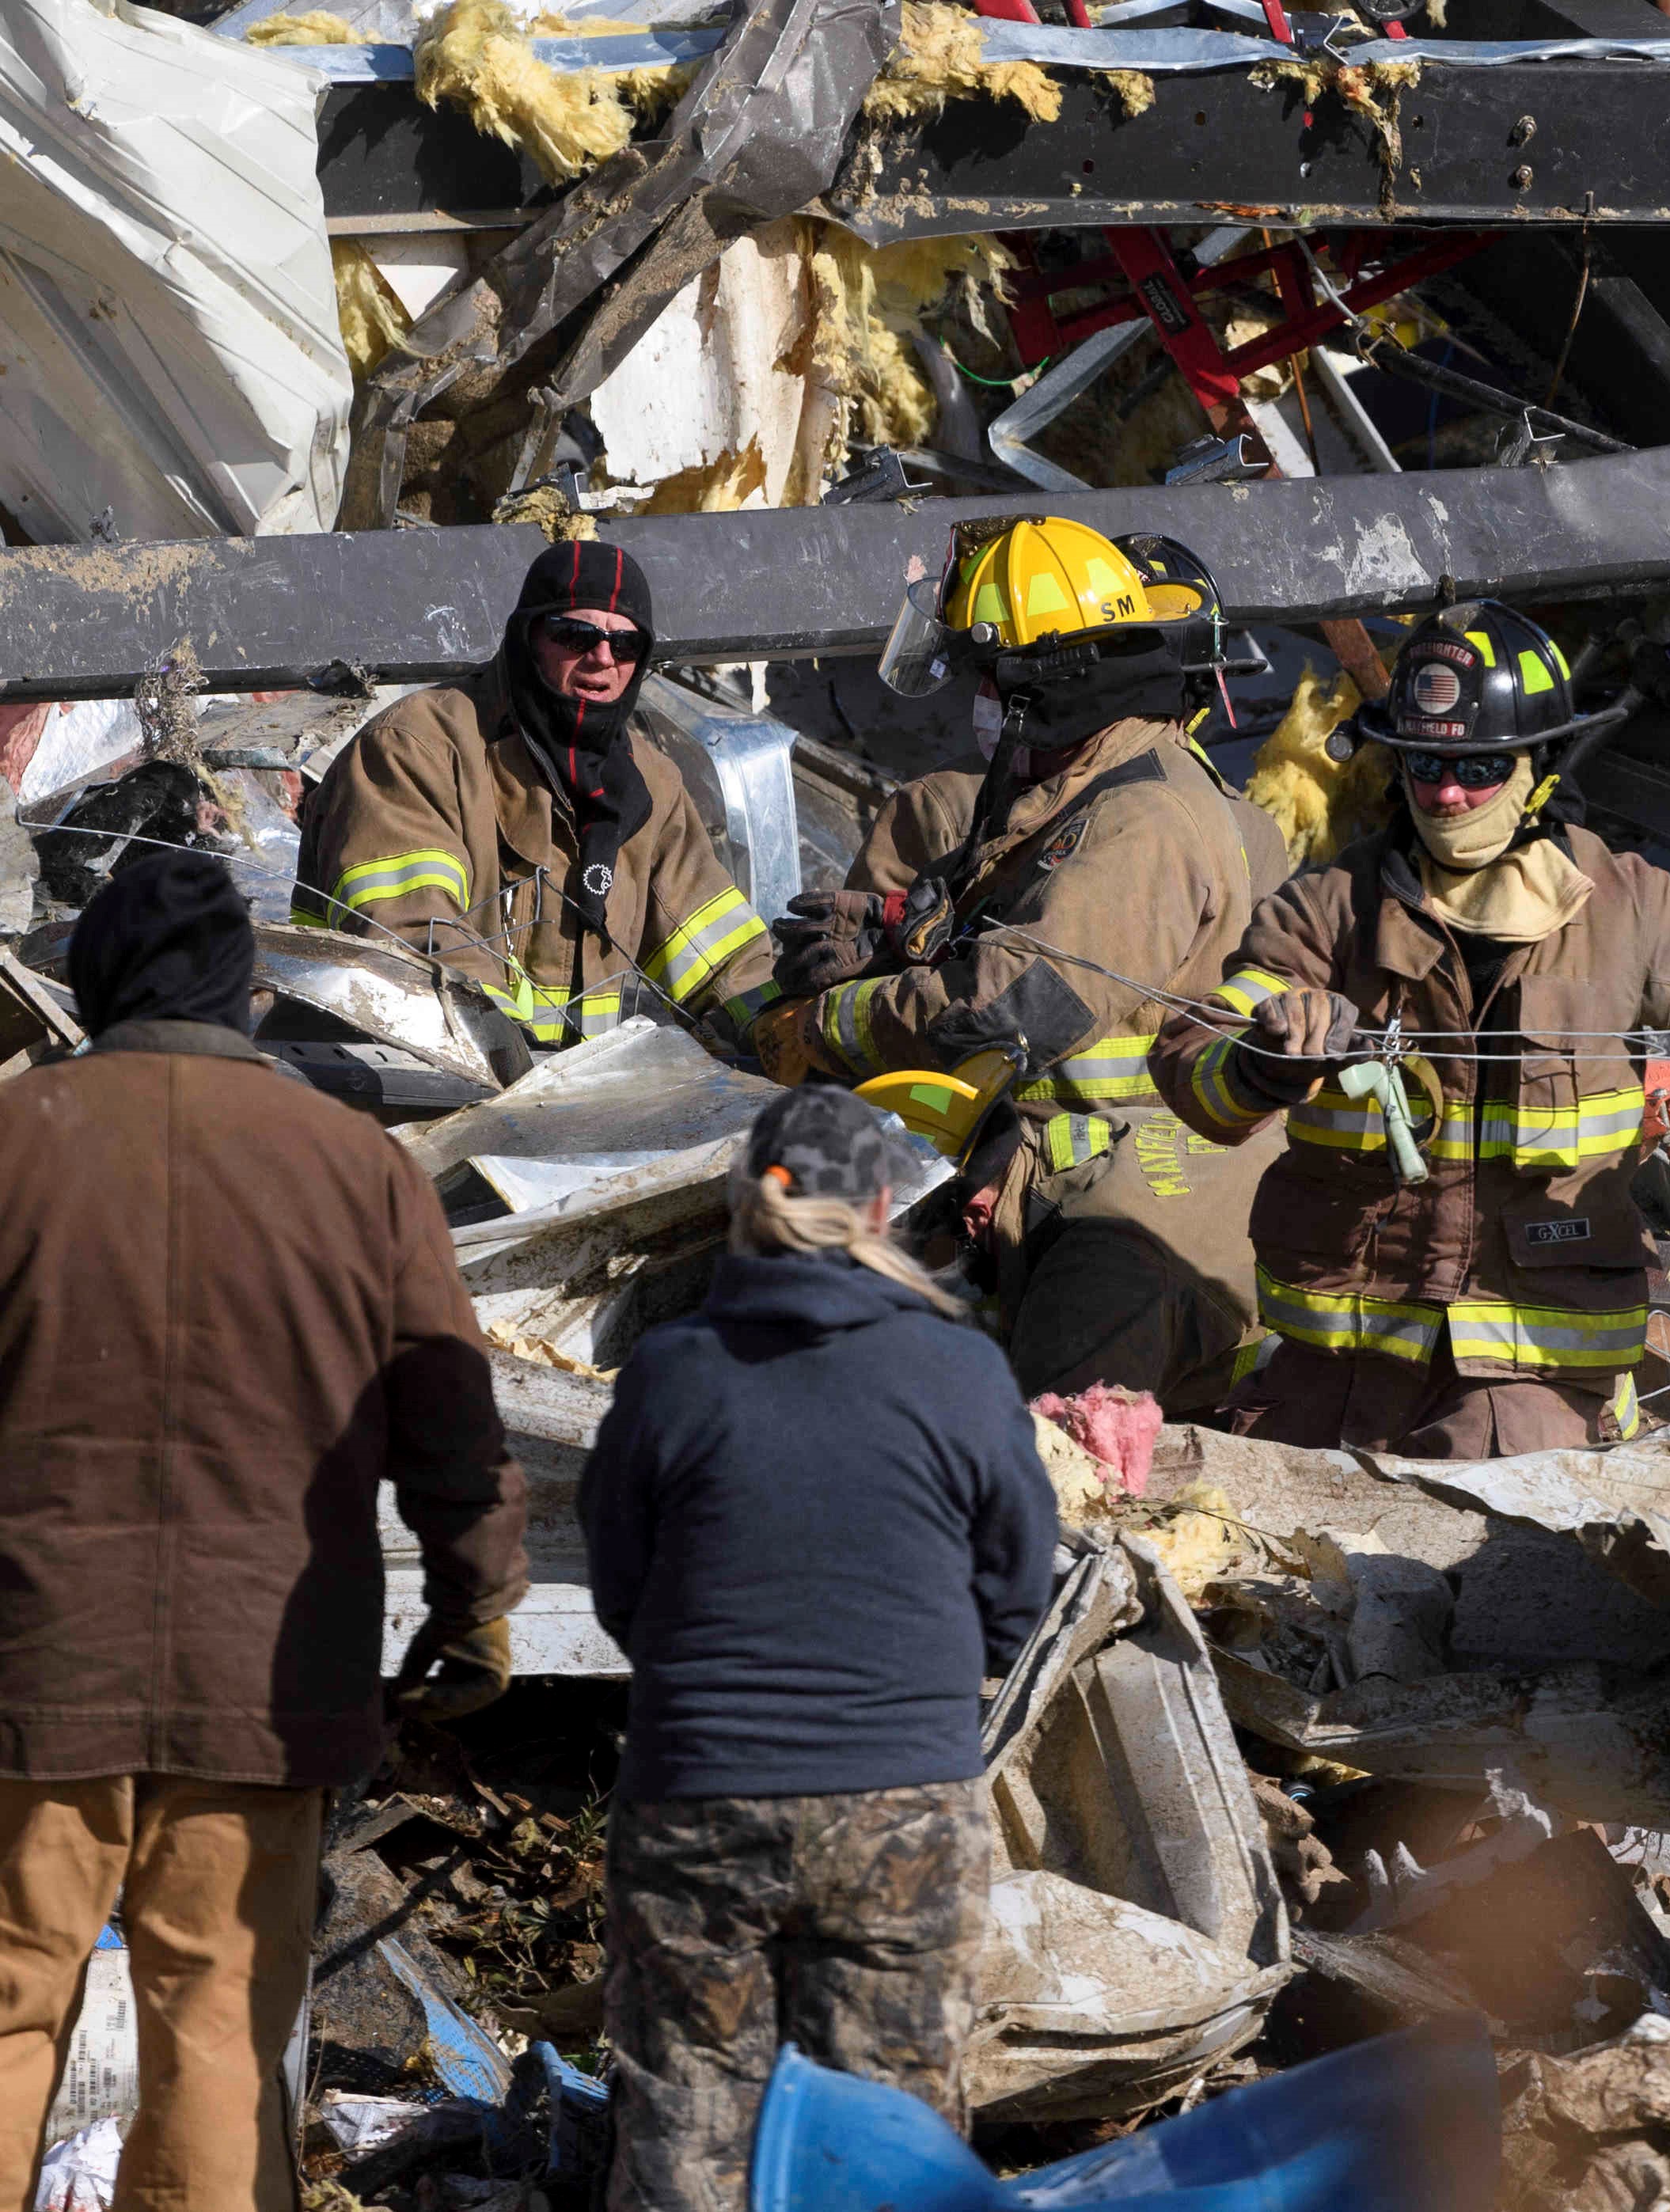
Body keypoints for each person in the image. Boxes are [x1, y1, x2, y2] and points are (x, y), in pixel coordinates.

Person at [0, 852, 526, 2212]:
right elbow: (452, 1419)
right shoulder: (360, 1170)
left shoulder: (13, 1144)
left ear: (97, 984)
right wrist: (475, 1612)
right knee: (221, 2024)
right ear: (244, 1000)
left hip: (33, 1665)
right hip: (269, 1680)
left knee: (5, 2007)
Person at [1148, 599, 1670, 1455]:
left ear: (1538, 765)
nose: (1448, 792)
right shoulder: (1331, 909)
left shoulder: (1625, 909)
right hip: (1333, 1370)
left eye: (1478, 766)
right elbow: (1197, 1053)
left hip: (1530, 1390)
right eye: (1424, 764)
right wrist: (1267, 1052)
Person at [578, 1084, 1058, 2210]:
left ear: (744, 1200)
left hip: (703, 1793)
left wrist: (707, 1679)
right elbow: (1018, 1586)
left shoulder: (672, 1368)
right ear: (887, 1204)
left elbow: (619, 1587)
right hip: (903, 1797)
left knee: (687, 2115)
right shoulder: (961, 1369)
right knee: (888, 2125)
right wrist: (924, 1688)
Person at [751, 518, 1292, 1409]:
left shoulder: (1147, 824)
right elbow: (1016, 919)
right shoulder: (1086, 783)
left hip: (1129, 1208)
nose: (982, 702)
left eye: (992, 678)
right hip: (1068, 1174)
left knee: (1059, 1457)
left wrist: (829, 1024)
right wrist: (898, 931)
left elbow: (1012, 1007)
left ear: (1051, 688)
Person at [294, 540, 780, 1050]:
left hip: (551, 1113)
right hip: (388, 1090)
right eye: (575, 635)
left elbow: (720, 960)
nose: (602, 659)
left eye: (626, 646)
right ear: (528, 638)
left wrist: (779, 1029)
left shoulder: (648, 785)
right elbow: (411, 937)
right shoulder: (419, 746)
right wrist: (512, 1055)